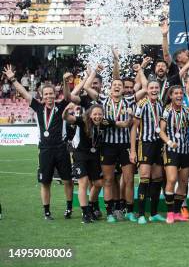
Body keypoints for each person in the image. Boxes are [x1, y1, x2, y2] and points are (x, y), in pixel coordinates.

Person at [3, 65, 74, 220]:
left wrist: (65, 82)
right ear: (42, 95)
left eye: (51, 94)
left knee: (68, 180)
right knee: (45, 182)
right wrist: (13, 79)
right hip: (45, 149)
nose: (49, 96)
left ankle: (69, 209)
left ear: (55, 95)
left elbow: (68, 97)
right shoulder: (38, 107)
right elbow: (24, 93)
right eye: (46, 94)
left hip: (61, 148)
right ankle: (47, 212)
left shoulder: (61, 105)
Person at [83, 75, 138, 223]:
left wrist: (140, 70)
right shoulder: (102, 100)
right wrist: (94, 71)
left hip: (125, 145)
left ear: (122, 88)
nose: (117, 87)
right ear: (110, 87)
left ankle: (129, 211)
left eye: (120, 85)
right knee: (108, 179)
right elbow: (87, 87)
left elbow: (145, 88)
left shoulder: (130, 100)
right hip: (107, 145)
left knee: (129, 180)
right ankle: (110, 213)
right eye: (115, 84)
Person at [159, 85, 189, 224]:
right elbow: (161, 131)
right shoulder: (167, 111)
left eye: (181, 93)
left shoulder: (187, 111)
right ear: (170, 96)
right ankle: (170, 213)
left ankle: (176, 212)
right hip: (171, 150)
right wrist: (169, 142)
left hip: (186, 151)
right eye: (176, 93)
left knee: (183, 182)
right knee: (171, 179)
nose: (179, 95)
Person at [130, 80, 166, 224]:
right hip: (145, 144)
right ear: (147, 89)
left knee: (157, 177)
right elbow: (134, 128)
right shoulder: (142, 104)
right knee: (144, 177)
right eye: (151, 88)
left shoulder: (161, 104)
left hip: (158, 144)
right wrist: (133, 150)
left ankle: (154, 213)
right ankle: (140, 214)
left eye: (156, 87)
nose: (154, 90)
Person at [62, 104, 105, 223]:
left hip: (94, 155)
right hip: (80, 154)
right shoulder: (83, 120)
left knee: (98, 183)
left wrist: (130, 118)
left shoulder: (104, 123)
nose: (97, 116)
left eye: (100, 114)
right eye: (95, 114)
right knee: (84, 182)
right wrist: (66, 111)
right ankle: (85, 213)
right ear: (90, 115)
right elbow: (67, 118)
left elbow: (121, 124)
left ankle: (90, 206)